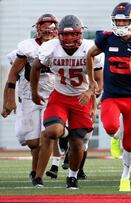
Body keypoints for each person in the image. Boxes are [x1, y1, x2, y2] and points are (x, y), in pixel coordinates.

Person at [86, 2, 131, 192]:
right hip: (112, 96)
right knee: (111, 127)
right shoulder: (106, 38)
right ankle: (115, 138)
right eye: (118, 21)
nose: (121, 25)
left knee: (130, 143)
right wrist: (92, 81)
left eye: (124, 21)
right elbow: (90, 55)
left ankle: (126, 176)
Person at [31, 15, 100, 189]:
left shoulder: (90, 49)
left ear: (80, 34)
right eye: (65, 35)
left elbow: (99, 80)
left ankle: (72, 176)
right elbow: (35, 68)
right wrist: (34, 92)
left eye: (73, 34)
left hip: (80, 98)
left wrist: (90, 92)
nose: (68, 38)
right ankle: (39, 176)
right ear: (59, 34)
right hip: (60, 96)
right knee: (53, 131)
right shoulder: (50, 48)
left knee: (78, 142)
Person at [1, 14, 58, 182]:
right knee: (32, 141)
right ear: (38, 29)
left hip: (52, 97)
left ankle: (37, 173)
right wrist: (8, 100)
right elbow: (12, 76)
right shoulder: (27, 47)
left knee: (48, 134)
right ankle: (38, 168)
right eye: (44, 28)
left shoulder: (60, 47)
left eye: (51, 28)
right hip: (28, 97)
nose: (48, 31)